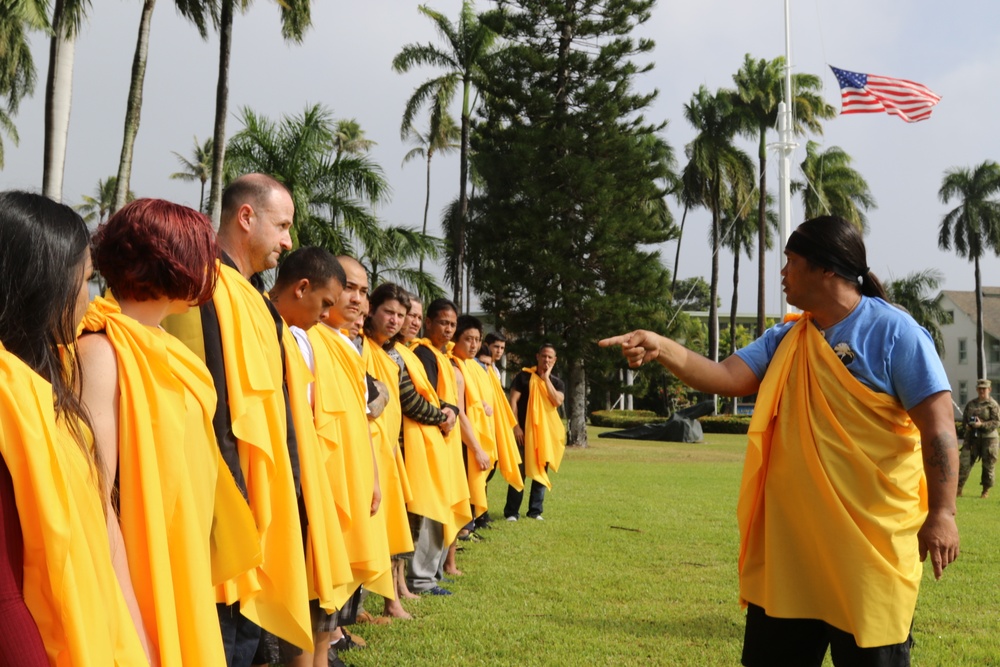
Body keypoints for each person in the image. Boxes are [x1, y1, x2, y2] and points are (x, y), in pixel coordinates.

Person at [601, 215, 960, 667]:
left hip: (869, 551)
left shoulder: (896, 333)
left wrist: (943, 513)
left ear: (827, 268)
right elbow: (724, 377)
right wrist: (662, 346)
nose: (783, 273)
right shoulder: (789, 336)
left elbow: (939, 428)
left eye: (791, 261)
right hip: (792, 551)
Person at [79, 199, 260, 666]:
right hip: (139, 569)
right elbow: (96, 498)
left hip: (185, 559)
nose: (211, 269)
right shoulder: (101, 351)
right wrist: (129, 617)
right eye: (204, 255)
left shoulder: (168, 349)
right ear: (173, 259)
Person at [162, 173, 311, 666]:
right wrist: (236, 506)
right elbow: (207, 408)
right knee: (226, 639)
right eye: (283, 225)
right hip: (224, 505)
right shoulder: (202, 287)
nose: (289, 241)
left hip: (260, 497)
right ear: (246, 217)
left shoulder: (255, 301)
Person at [0, 191, 147, 665]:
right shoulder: (9, 397)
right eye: (85, 281)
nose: (91, 300)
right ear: (39, 284)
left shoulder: (44, 382)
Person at [267, 247, 356, 667]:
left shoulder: (302, 335)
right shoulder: (267, 328)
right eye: (325, 304)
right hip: (285, 476)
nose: (326, 314)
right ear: (302, 287)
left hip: (309, 476)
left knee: (316, 600)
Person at [307, 256, 392, 654]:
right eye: (350, 288)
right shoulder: (307, 338)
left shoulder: (345, 346)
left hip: (353, 472)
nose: (358, 299)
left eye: (363, 291)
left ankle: (329, 646)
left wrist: (372, 478)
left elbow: (360, 418)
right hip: (322, 476)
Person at [407, 299, 473, 594]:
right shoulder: (423, 354)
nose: (448, 329)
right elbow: (425, 398)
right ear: (428, 324)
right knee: (429, 510)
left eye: (452, 325)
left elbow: (444, 400)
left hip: (441, 439)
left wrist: (452, 412)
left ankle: (432, 571)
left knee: (439, 508)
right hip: (427, 439)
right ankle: (421, 577)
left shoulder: (439, 356)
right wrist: (443, 415)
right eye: (443, 323)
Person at [504, 343, 566, 521]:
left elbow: (557, 401)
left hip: (544, 435)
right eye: (543, 356)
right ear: (537, 356)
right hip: (523, 432)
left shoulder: (556, 382)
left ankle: (535, 512)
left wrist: (545, 378)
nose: (546, 360)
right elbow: (513, 401)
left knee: (541, 471)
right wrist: (516, 426)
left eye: (550, 357)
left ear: (554, 361)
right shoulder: (523, 377)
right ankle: (512, 512)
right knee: (520, 471)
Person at [958, 378, 1000, 499]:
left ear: (989, 389)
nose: (982, 391)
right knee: (964, 463)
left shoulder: (993, 405)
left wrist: (981, 425)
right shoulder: (971, 404)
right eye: (980, 388)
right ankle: (958, 489)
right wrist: (968, 426)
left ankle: (985, 491)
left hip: (989, 440)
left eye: (984, 389)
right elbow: (965, 420)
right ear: (977, 389)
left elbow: (997, 422)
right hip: (972, 439)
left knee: (988, 466)